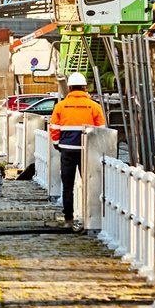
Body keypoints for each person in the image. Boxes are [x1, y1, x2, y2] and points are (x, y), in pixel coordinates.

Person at [49, 72, 106, 229]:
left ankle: (68, 219)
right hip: (87, 151)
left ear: (70, 88)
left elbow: (54, 128)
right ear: (85, 88)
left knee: (67, 186)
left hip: (67, 150)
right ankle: (90, 220)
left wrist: (57, 144)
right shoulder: (94, 107)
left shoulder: (61, 106)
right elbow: (101, 130)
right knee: (89, 185)